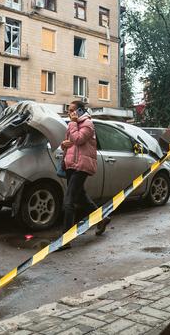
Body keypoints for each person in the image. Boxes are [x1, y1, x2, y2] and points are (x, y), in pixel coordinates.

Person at [59, 101, 110, 250]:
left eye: (73, 110)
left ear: (81, 110)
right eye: (69, 111)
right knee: (81, 196)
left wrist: (73, 124)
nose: (70, 113)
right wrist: (64, 144)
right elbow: (72, 143)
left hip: (82, 166)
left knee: (68, 201)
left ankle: (66, 239)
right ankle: (102, 219)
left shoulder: (88, 124)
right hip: (71, 165)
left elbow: (79, 139)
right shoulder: (73, 124)